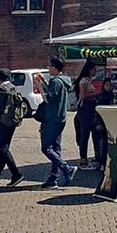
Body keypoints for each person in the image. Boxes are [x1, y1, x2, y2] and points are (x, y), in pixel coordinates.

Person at [37, 56, 75, 189]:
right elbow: (55, 93)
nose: (48, 68)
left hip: (52, 119)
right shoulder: (64, 80)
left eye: (49, 66)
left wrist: (39, 87)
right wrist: (44, 83)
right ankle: (53, 178)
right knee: (56, 148)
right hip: (61, 118)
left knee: (46, 148)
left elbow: (49, 98)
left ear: (54, 67)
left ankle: (66, 168)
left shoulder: (56, 81)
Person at [0, 69, 24, 186]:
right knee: (5, 147)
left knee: (1, 146)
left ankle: (16, 174)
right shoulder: (13, 88)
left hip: (1, 121)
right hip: (12, 121)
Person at [74, 60, 101, 170]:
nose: (95, 71)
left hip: (90, 110)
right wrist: (97, 94)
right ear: (89, 70)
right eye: (94, 69)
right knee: (85, 135)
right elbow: (83, 95)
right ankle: (83, 161)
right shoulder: (84, 81)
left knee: (94, 133)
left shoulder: (89, 80)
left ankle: (96, 156)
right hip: (85, 110)